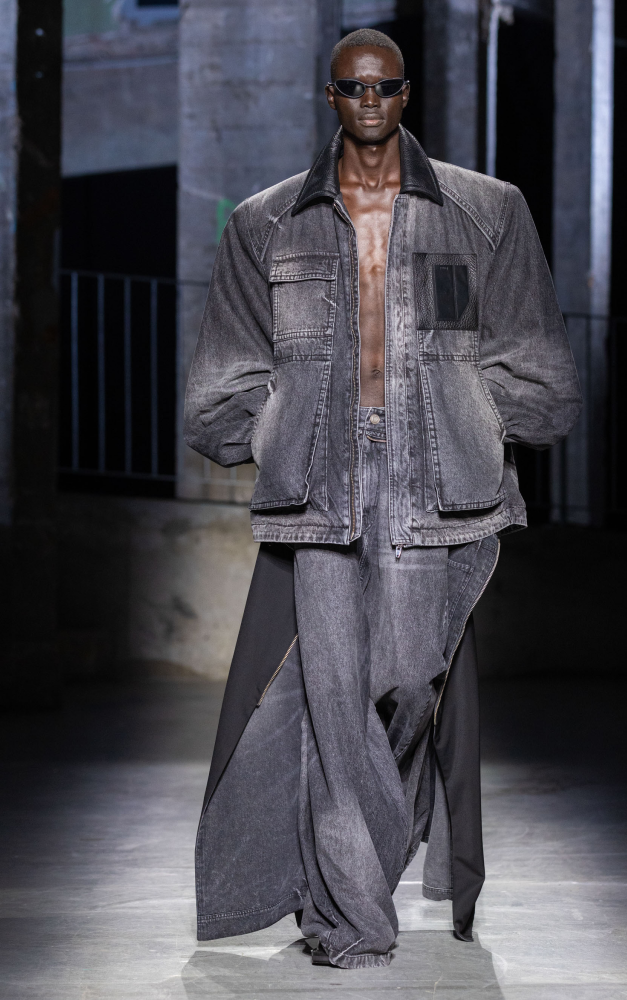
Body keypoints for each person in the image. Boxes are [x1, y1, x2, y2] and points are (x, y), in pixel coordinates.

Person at [184, 28, 581, 969]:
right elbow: (216, 396)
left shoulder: (487, 213)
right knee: (331, 698)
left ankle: (359, 865)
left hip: (435, 485)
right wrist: (283, 428)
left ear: (406, 96)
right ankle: (351, 916)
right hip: (319, 489)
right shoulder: (265, 221)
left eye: (387, 87)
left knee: (404, 686)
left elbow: (547, 380)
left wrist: (466, 407)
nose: (370, 102)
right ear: (330, 97)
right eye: (353, 88)